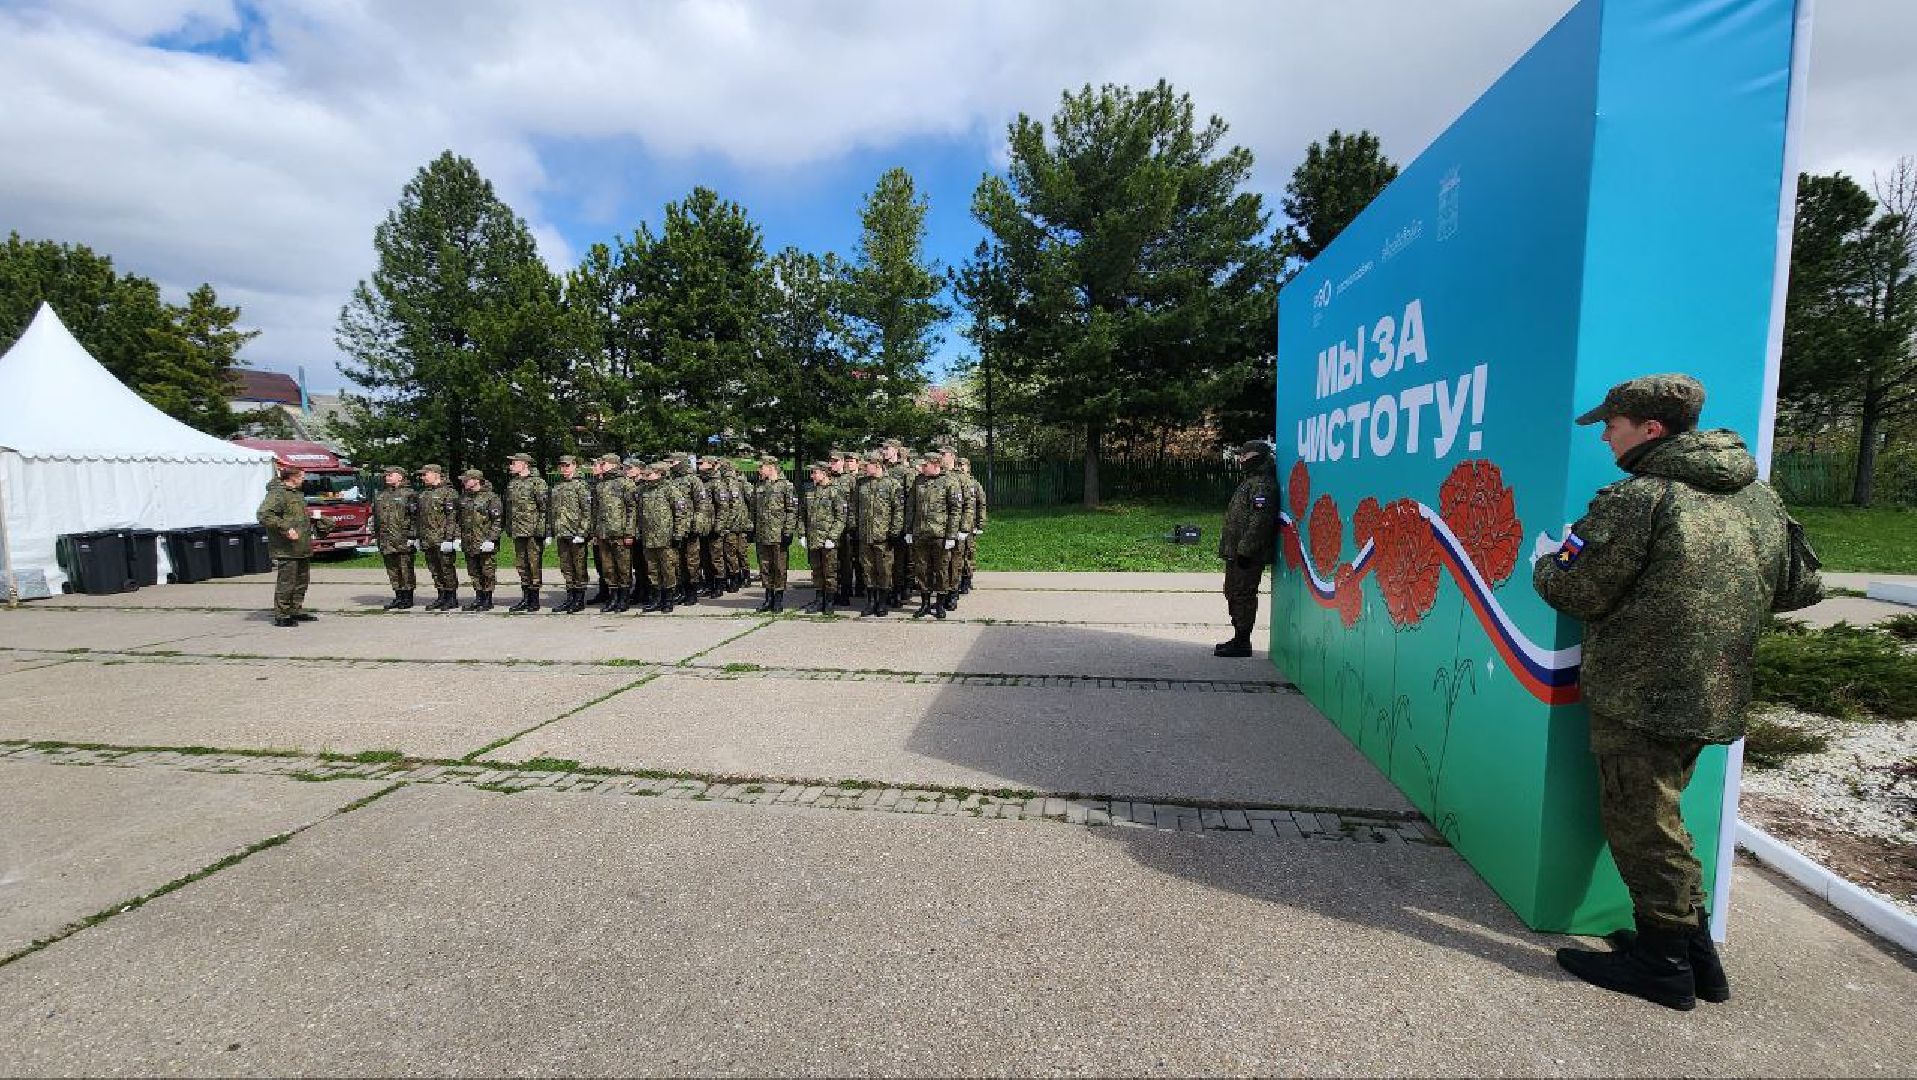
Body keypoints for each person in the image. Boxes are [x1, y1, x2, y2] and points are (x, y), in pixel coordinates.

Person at [1534, 374, 1793, 1012]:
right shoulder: (1758, 498)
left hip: (1640, 695)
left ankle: (1665, 964)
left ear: (1651, 429)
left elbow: (1576, 588)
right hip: (1718, 687)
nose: (1603, 434)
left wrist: (1547, 562)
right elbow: (1796, 584)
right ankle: (1696, 953)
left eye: (1612, 424)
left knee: (1642, 821)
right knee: (1664, 814)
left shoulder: (1640, 499)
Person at [1216, 441, 1279, 657]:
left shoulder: (1262, 485)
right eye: (1240, 455)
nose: (1241, 459)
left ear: (1258, 457)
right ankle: (1238, 636)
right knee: (1232, 591)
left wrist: (1246, 549)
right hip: (1236, 552)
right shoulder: (1250, 482)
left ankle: (1243, 641)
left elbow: (1260, 520)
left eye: (1246, 455)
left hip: (1247, 553)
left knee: (1243, 593)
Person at [255, 464, 330, 627]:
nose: (303, 480)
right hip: (286, 548)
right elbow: (263, 514)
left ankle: (295, 610)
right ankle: (282, 614)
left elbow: (294, 515)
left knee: (301, 581)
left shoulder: (296, 494)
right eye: (302, 477)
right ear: (293, 477)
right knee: (287, 582)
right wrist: (286, 528)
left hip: (301, 545)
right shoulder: (278, 494)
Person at [908, 453, 963, 619]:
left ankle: (939, 604)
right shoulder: (919, 480)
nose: (922, 468)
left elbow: (955, 510)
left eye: (925, 465)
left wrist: (951, 536)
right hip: (921, 533)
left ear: (935, 464)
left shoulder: (950, 481)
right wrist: (909, 530)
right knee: (922, 570)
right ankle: (924, 604)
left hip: (940, 534)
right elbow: (911, 506)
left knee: (941, 570)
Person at [853, 450, 904, 617]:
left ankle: (882, 602)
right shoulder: (861, 484)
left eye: (867, 465)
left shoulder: (892, 484)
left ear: (877, 465)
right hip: (865, 535)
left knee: (884, 570)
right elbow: (855, 508)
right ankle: (871, 602)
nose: (864, 468)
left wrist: (895, 531)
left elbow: (898, 510)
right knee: (867, 569)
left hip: (883, 536)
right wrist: (854, 528)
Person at [636, 460, 687, 613]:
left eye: (648, 474)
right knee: (652, 569)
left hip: (666, 537)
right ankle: (656, 598)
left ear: (659, 474)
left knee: (668, 569)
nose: (645, 477)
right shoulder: (643, 490)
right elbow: (639, 514)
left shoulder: (670, 489)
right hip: (648, 537)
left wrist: (678, 533)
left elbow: (680, 513)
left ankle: (669, 599)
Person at [750, 455, 798, 612]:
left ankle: (778, 599)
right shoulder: (759, 486)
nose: (759, 470)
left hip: (778, 534)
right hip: (762, 534)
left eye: (761, 467)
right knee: (764, 567)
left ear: (771, 467)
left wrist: (788, 531)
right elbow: (753, 511)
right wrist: (752, 528)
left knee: (779, 567)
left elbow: (791, 510)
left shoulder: (786, 486)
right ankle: (768, 598)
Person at [590, 453, 637, 613]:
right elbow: (596, 510)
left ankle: (624, 598)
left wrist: (629, 533)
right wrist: (595, 532)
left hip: (621, 533)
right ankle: (613, 597)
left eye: (605, 463)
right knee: (608, 568)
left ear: (614, 464)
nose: (602, 465)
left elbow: (632, 509)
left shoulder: (626, 484)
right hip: (604, 533)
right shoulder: (600, 485)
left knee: (623, 568)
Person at [799, 461, 848, 614]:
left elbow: (841, 517)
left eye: (815, 472)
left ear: (824, 473)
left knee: (830, 572)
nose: (812, 475)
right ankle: (819, 600)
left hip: (828, 539)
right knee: (817, 571)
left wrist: (832, 537)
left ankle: (830, 602)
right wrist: (802, 534)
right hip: (813, 538)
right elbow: (802, 515)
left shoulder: (835, 491)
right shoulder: (810, 491)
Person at [504, 453, 549, 612]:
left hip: (532, 531)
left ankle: (534, 599)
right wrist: (509, 528)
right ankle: (525, 598)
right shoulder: (513, 484)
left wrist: (542, 531)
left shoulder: (538, 483)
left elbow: (544, 509)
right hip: (518, 531)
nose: (511, 465)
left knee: (534, 565)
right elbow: (509, 509)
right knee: (522, 565)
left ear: (525, 464)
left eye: (514, 462)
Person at [548, 455, 593, 614]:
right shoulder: (557, 486)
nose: (564, 469)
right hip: (562, 532)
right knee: (566, 567)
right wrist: (551, 531)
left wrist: (582, 532)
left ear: (575, 466)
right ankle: (570, 598)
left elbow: (587, 512)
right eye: (561, 466)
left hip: (576, 533)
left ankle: (579, 600)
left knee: (579, 567)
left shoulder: (581, 486)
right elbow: (552, 511)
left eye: (567, 466)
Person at [369, 465, 418, 610]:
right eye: (386, 475)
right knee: (392, 569)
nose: (387, 477)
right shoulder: (381, 496)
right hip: (385, 539)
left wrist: (413, 535)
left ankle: (407, 597)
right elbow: (376, 518)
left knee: (405, 568)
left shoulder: (409, 494)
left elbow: (415, 517)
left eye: (391, 475)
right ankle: (398, 596)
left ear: (400, 477)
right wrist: (375, 535)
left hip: (402, 538)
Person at [415, 464, 462, 611]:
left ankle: (451, 598)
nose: (423, 477)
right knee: (434, 569)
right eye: (422, 475)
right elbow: (419, 518)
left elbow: (452, 517)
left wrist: (450, 539)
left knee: (446, 568)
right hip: (428, 539)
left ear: (436, 474)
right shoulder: (423, 494)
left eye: (425, 474)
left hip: (442, 539)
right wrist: (417, 536)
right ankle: (441, 595)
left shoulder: (449, 493)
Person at [457, 468, 503, 611]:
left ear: (476, 480)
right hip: (469, 541)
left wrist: (491, 539)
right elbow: (459, 520)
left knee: (487, 571)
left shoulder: (491, 498)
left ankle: (487, 599)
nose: (464, 482)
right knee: (473, 571)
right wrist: (458, 537)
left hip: (484, 541)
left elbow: (497, 520)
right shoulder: (464, 498)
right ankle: (478, 598)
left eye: (467, 479)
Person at [957, 457, 986, 595]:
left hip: (971, 523)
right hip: (958, 524)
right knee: (958, 553)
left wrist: (980, 524)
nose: (961, 468)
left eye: (963, 465)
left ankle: (967, 579)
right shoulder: (955, 482)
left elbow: (981, 505)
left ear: (968, 467)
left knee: (968, 552)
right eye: (959, 465)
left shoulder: (975, 484)